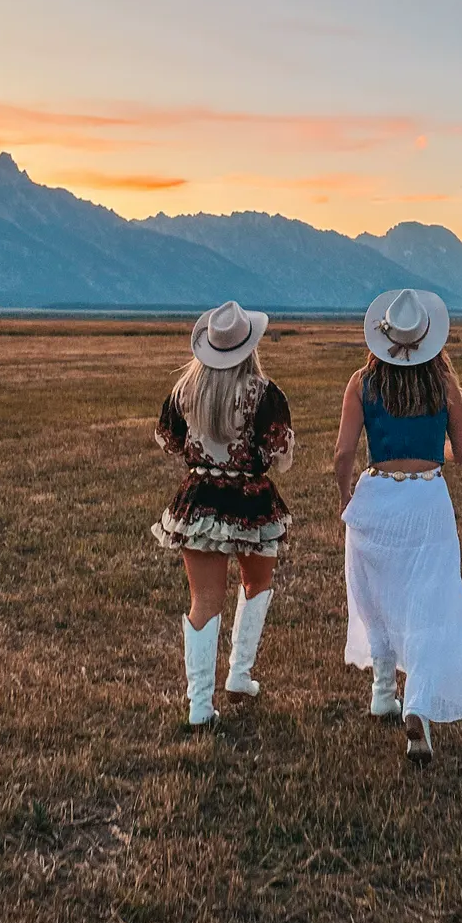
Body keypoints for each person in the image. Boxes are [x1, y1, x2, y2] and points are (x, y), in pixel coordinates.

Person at [333, 288, 462, 764]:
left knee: (377, 597)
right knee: (426, 604)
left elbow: (343, 454)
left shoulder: (361, 383)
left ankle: (384, 691)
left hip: (376, 495)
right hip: (426, 500)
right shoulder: (443, 386)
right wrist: (430, 455)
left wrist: (347, 496)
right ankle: (416, 705)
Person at [153, 301, 294, 727]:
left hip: (200, 501)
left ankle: (199, 705)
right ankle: (239, 673)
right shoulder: (264, 393)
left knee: (204, 600)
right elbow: (279, 453)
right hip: (252, 502)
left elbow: (168, 441)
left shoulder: (185, 392)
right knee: (257, 584)